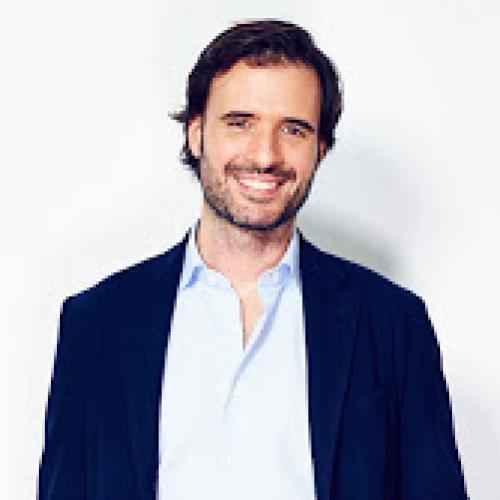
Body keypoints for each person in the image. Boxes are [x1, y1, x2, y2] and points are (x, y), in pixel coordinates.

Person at [38, 19, 468, 500]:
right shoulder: (95, 324)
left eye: (293, 129)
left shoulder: (393, 325)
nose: (265, 155)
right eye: (240, 122)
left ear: (320, 151)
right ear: (196, 134)